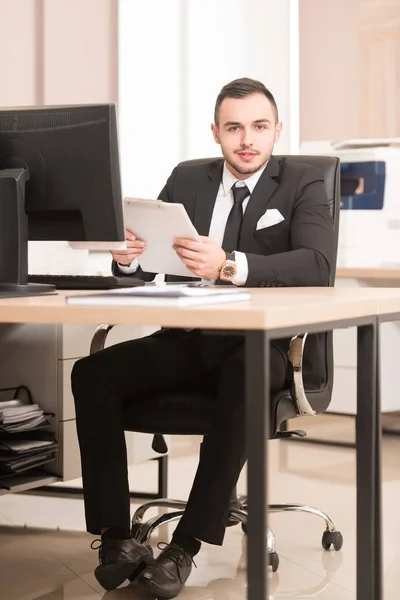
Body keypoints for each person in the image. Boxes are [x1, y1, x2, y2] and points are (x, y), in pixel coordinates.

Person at [71, 77, 334, 598]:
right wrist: (128, 258)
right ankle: (116, 538)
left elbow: (317, 263)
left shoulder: (303, 183)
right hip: (188, 339)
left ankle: (183, 546)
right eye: (234, 127)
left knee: (244, 373)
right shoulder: (187, 181)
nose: (247, 140)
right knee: (91, 372)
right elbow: (152, 263)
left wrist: (231, 266)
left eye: (259, 126)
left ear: (276, 130)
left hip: (265, 347)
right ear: (215, 132)